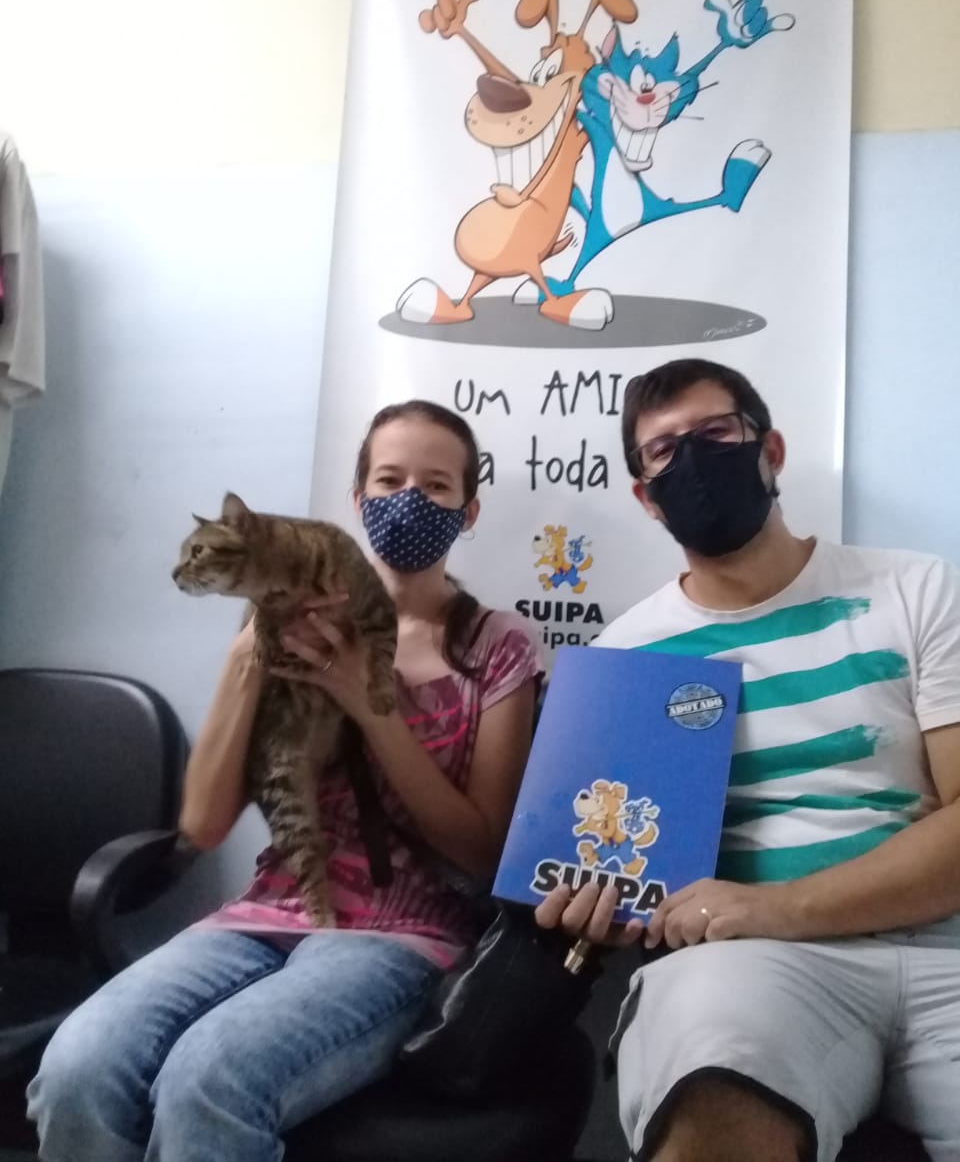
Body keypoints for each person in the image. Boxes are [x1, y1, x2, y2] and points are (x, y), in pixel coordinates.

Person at [28, 399, 541, 1162]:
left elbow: (483, 854)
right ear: (358, 499)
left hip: (403, 934)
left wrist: (362, 698)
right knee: (76, 1067)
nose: (409, 499)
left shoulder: (496, 645)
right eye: (389, 480)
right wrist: (249, 650)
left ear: (468, 510)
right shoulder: (280, 622)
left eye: (436, 485)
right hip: (266, 913)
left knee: (210, 1078)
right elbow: (202, 825)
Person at [536, 358, 960, 1162]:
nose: (693, 461)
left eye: (716, 433)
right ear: (644, 495)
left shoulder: (917, 589)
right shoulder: (625, 659)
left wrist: (781, 906)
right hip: (754, 971)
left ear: (771, 450)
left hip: (944, 949)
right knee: (712, 1101)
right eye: (664, 450)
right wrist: (604, 903)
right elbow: (623, 857)